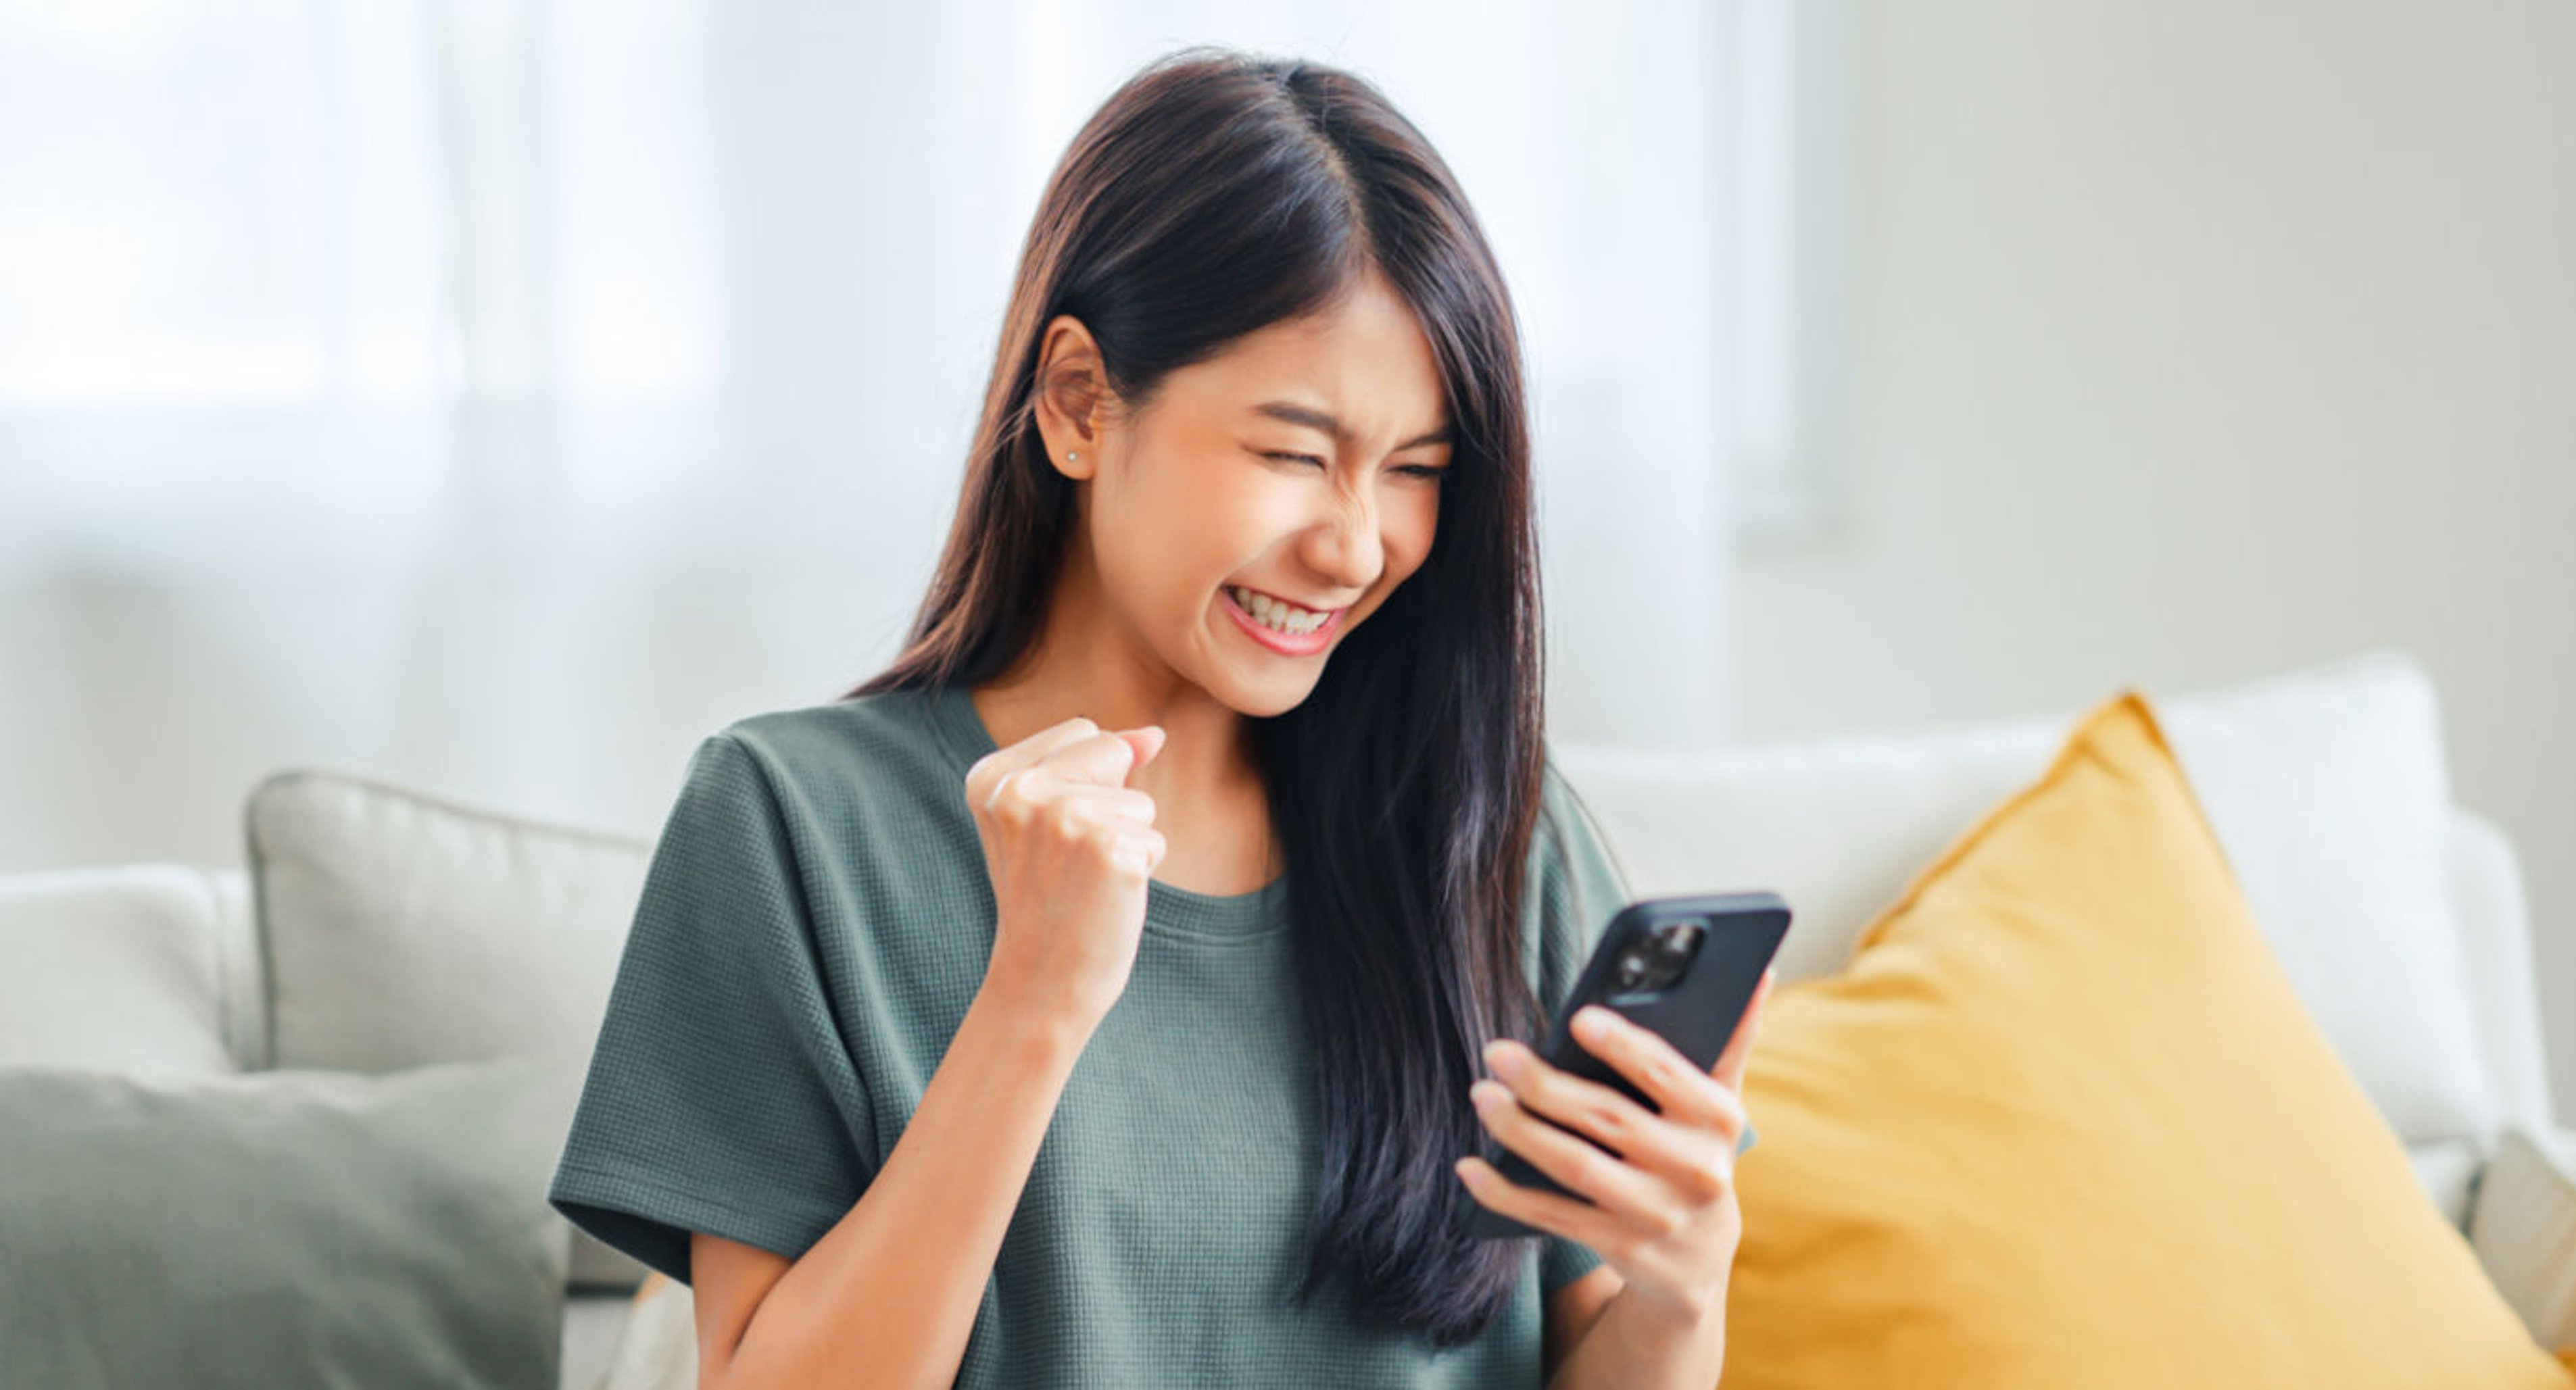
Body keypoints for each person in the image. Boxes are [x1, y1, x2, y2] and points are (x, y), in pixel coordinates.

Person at [546, 44, 1769, 1389]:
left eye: (1414, 471)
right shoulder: (794, 825)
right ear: (1077, 402)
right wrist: (1032, 1006)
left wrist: (1676, 1291)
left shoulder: (1491, 833)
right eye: (1293, 454)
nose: (1356, 548)